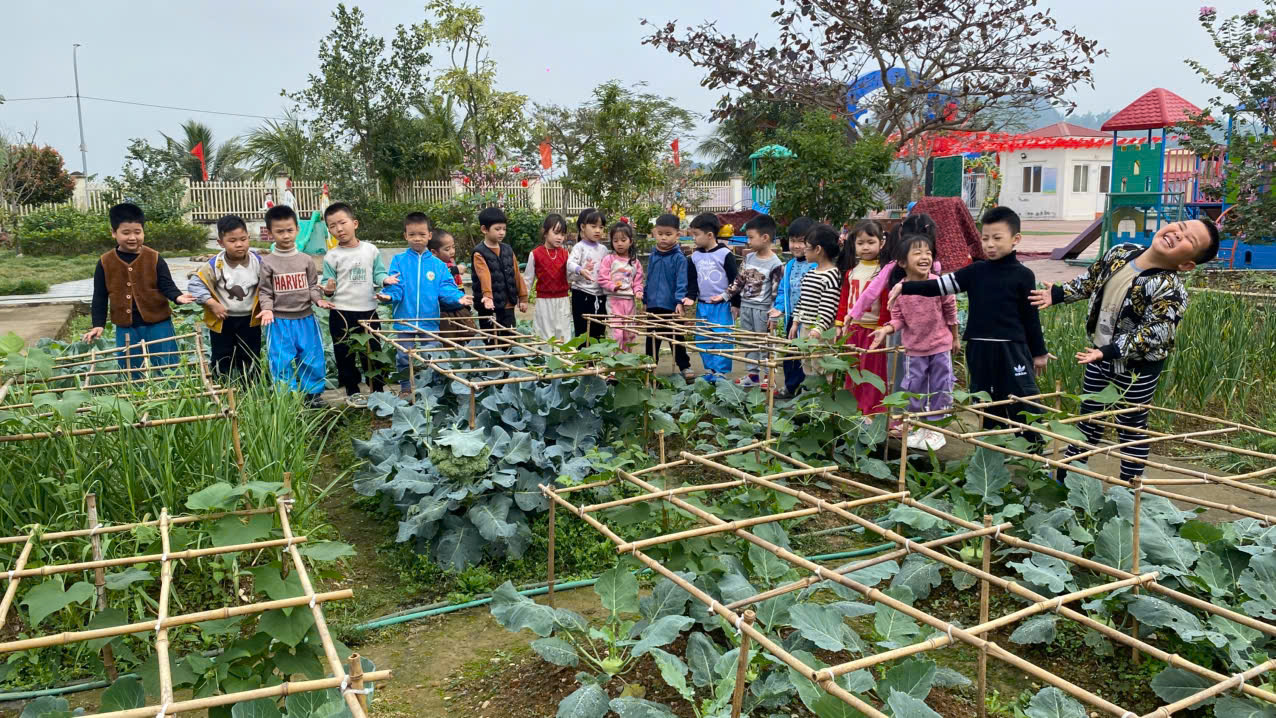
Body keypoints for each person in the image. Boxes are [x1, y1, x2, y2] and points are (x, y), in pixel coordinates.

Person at [1030, 218, 1220, 481]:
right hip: (1097, 357)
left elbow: (1155, 333)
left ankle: (1130, 486)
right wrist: (1060, 294)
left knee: (1131, 428)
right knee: (1088, 419)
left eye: (1190, 240)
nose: (1178, 234)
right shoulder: (1120, 252)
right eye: (1181, 227)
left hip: (1137, 370)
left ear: (1186, 264)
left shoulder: (1170, 289)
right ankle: (1067, 478)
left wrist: (1110, 351)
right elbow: (1092, 279)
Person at [889, 206, 1051, 431]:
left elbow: (1030, 316)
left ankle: (1032, 444)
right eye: (985, 238)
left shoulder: (1023, 275)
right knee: (984, 400)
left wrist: (1039, 352)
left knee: (1023, 398)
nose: (990, 244)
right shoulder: (975, 271)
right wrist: (905, 288)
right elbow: (938, 285)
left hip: (1011, 348)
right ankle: (991, 442)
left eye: (997, 238)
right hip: (979, 348)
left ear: (1016, 239)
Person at [82, 203, 195, 375]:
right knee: (130, 368)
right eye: (126, 233)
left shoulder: (154, 257)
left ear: (143, 231)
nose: (132, 237)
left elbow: (166, 284)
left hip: (158, 321)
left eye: (137, 232)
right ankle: (134, 390)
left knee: (167, 365)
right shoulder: (105, 262)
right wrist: (98, 324)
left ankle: (172, 388)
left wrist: (178, 297)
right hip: (125, 326)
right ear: (113, 232)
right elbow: (100, 295)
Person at [870, 234, 958, 450]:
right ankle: (918, 425)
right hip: (914, 348)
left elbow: (951, 312)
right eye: (917, 253)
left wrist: (955, 338)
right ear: (902, 262)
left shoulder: (938, 284)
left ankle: (936, 429)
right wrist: (886, 329)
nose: (925, 257)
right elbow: (898, 319)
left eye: (928, 253)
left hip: (940, 345)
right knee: (914, 386)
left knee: (941, 385)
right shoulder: (899, 289)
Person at [382, 212, 473, 395]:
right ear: (405, 235)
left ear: (429, 235)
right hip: (405, 319)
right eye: (412, 234)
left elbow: (446, 288)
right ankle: (406, 387)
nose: (417, 238)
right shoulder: (399, 261)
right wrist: (389, 296)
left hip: (429, 320)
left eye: (422, 234)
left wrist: (457, 298)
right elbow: (396, 286)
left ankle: (433, 387)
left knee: (432, 355)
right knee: (404, 356)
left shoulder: (438, 265)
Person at [852, 214, 941, 394]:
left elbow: (871, 292)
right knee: (920, 369)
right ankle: (921, 407)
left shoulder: (897, 265)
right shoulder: (931, 265)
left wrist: (853, 314)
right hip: (923, 328)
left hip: (904, 328)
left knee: (900, 369)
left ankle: (901, 407)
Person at [258, 205, 334, 407]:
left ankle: (313, 395)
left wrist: (318, 300)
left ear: (297, 230)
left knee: (312, 356)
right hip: (279, 321)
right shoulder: (268, 262)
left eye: (290, 230)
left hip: (306, 318)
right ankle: (287, 397)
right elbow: (264, 291)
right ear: (270, 233)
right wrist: (267, 309)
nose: (285, 235)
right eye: (279, 231)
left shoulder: (306, 260)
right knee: (280, 359)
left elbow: (312, 286)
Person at [321, 202, 396, 403]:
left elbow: (379, 272)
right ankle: (352, 391)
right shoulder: (332, 256)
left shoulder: (370, 250)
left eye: (342, 223)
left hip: (368, 310)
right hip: (341, 312)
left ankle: (377, 391)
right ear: (329, 230)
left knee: (373, 350)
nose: (339, 229)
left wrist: (385, 280)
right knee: (344, 353)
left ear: (354, 223)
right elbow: (327, 284)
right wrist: (328, 289)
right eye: (332, 226)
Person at [190, 214, 263, 380]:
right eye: (232, 240)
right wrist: (211, 303)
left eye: (243, 239)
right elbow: (195, 285)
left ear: (249, 238)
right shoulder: (215, 264)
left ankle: (251, 386)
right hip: (222, 319)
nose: (239, 244)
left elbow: (269, 284)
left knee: (250, 354)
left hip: (249, 320)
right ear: (221, 242)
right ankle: (223, 383)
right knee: (222, 354)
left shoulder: (258, 262)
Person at [835, 219, 890, 415]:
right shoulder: (851, 272)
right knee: (852, 369)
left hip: (872, 331)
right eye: (860, 243)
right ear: (854, 245)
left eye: (870, 242)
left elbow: (886, 304)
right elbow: (844, 300)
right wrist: (839, 324)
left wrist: (882, 328)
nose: (865, 247)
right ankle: (852, 408)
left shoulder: (883, 272)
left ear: (881, 243)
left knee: (872, 371)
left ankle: (871, 410)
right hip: (852, 329)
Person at [722, 214, 784, 388]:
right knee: (748, 341)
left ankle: (768, 375)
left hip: (763, 310)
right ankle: (753, 375)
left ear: (765, 238)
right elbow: (739, 280)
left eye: (751, 237)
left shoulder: (776, 264)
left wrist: (774, 316)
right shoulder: (749, 258)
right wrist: (725, 295)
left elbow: (776, 292)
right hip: (747, 307)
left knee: (765, 343)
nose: (748, 242)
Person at [686, 212, 738, 382]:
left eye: (696, 234)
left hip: (722, 305)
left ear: (709, 235)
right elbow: (692, 281)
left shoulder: (725, 254)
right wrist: (690, 297)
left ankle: (721, 372)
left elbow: (735, 280)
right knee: (702, 337)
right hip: (703, 305)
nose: (693, 238)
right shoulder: (694, 257)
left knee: (722, 337)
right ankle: (710, 370)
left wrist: (735, 303)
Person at [789, 224, 843, 376]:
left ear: (818, 249)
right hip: (806, 327)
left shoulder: (832, 275)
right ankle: (810, 389)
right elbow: (802, 301)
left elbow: (828, 307)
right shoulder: (810, 273)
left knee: (821, 366)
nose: (804, 251)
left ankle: (822, 390)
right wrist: (795, 322)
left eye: (807, 248)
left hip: (822, 331)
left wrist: (818, 328)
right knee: (806, 364)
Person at [769, 217, 815, 397]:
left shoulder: (816, 265)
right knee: (790, 355)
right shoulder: (789, 265)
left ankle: (807, 390)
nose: (796, 246)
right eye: (793, 240)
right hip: (791, 319)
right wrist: (779, 307)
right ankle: (790, 387)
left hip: (810, 320)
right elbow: (783, 290)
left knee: (807, 356)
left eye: (801, 241)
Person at [644, 213, 693, 381]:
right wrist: (645, 299)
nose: (663, 237)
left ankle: (684, 366)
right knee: (651, 338)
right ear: (654, 233)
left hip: (671, 305)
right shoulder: (653, 255)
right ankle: (649, 366)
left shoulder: (679, 258)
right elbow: (649, 278)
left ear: (677, 235)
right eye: (660, 233)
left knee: (676, 337)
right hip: (653, 304)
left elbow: (682, 281)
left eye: (668, 234)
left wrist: (679, 301)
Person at [471, 207, 528, 336]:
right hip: (488, 306)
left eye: (504, 229)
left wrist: (523, 298)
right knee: (491, 339)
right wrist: (487, 297)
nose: (502, 232)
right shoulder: (479, 253)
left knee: (509, 337)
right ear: (484, 229)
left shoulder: (508, 250)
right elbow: (484, 275)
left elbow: (516, 274)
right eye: (497, 229)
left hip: (508, 304)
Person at [522, 214, 572, 341]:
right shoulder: (535, 254)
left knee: (563, 333)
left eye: (562, 234)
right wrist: (524, 298)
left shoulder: (566, 254)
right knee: (544, 334)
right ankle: (544, 354)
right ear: (545, 233)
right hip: (543, 301)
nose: (559, 237)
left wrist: (581, 270)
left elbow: (570, 277)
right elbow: (528, 279)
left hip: (563, 300)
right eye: (556, 233)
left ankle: (564, 354)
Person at [599, 221, 644, 351]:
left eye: (623, 240)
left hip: (629, 301)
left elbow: (638, 281)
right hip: (614, 300)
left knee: (629, 332)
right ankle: (615, 358)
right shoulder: (609, 259)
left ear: (630, 241)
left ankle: (627, 357)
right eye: (615, 240)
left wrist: (638, 291)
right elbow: (602, 278)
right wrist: (612, 286)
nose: (619, 243)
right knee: (617, 333)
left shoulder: (635, 262)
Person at [567, 208, 609, 339]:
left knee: (599, 332)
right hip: (582, 294)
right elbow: (569, 264)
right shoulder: (579, 247)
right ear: (583, 227)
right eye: (593, 226)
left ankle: (597, 353)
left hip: (600, 295)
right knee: (582, 332)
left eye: (601, 227)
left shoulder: (604, 250)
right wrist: (581, 270)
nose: (598, 230)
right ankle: (582, 352)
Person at [431, 230, 477, 343]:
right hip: (445, 311)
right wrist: (455, 270)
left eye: (453, 247)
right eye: (447, 249)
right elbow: (441, 275)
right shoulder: (434, 266)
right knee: (449, 341)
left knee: (469, 337)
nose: (452, 251)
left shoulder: (450, 262)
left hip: (459, 307)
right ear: (434, 252)